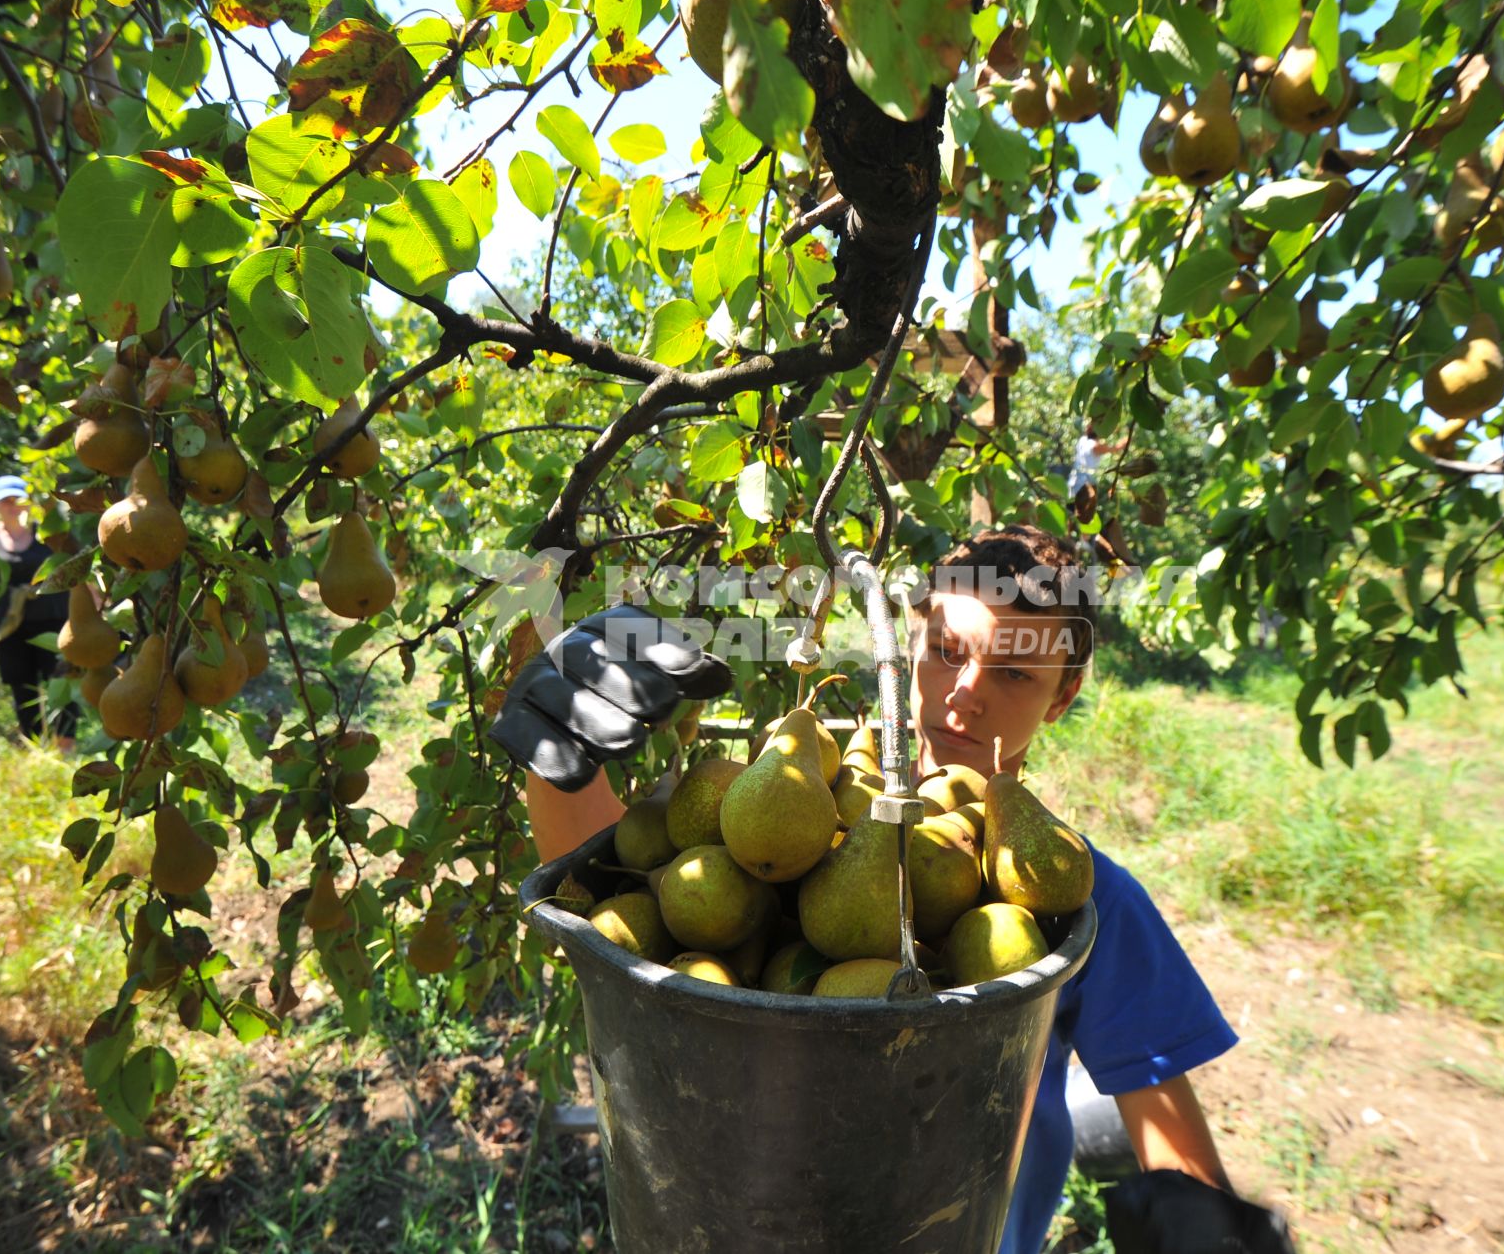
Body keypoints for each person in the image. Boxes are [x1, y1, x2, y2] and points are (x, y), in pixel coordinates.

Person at [489, 525, 1292, 1252]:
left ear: (1065, 692)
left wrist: (1205, 1228)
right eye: (945, 648)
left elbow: (1170, 1140)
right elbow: (619, 911)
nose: (966, 690)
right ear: (905, 646)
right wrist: (560, 756)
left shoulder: (1080, 900)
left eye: (1012, 669)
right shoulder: (805, 802)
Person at [0, 474, 76, 746]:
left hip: (53, 620)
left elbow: (76, 569)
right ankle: (34, 745)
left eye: (17, 499)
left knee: (62, 680)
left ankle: (67, 746)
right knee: (21, 685)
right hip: (8, 624)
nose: (12, 505)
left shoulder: (49, 533)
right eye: (5, 500)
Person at [1068, 421, 1130, 498]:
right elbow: (1115, 449)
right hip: (1084, 484)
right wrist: (1129, 437)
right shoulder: (1094, 446)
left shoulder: (1082, 440)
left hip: (1074, 480)